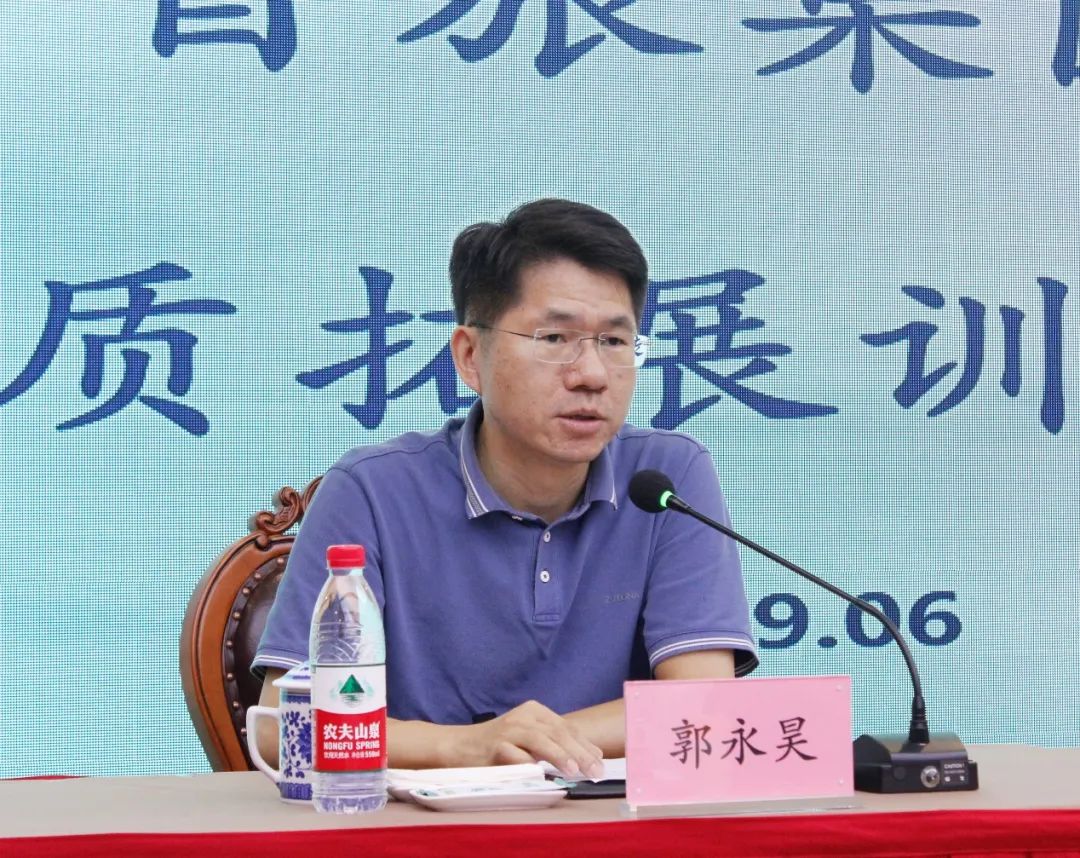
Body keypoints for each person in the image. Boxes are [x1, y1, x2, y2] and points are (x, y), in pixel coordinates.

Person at [253, 199, 758, 778]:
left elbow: (704, 706)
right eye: (555, 338)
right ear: (471, 356)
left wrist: (526, 742)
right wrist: (464, 747)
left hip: (609, 819)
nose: (592, 374)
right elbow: (282, 727)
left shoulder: (668, 479)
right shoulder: (372, 491)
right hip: (425, 823)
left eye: (615, 342)